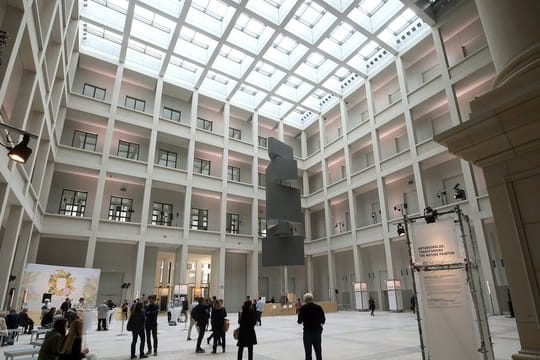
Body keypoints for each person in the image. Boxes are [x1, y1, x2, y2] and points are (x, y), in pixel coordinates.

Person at [297, 293, 326, 360]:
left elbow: (299, 321)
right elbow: (323, 320)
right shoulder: (319, 307)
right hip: (317, 332)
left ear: (305, 300)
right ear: (312, 299)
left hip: (307, 333)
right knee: (318, 352)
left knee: (308, 353)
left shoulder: (302, 308)